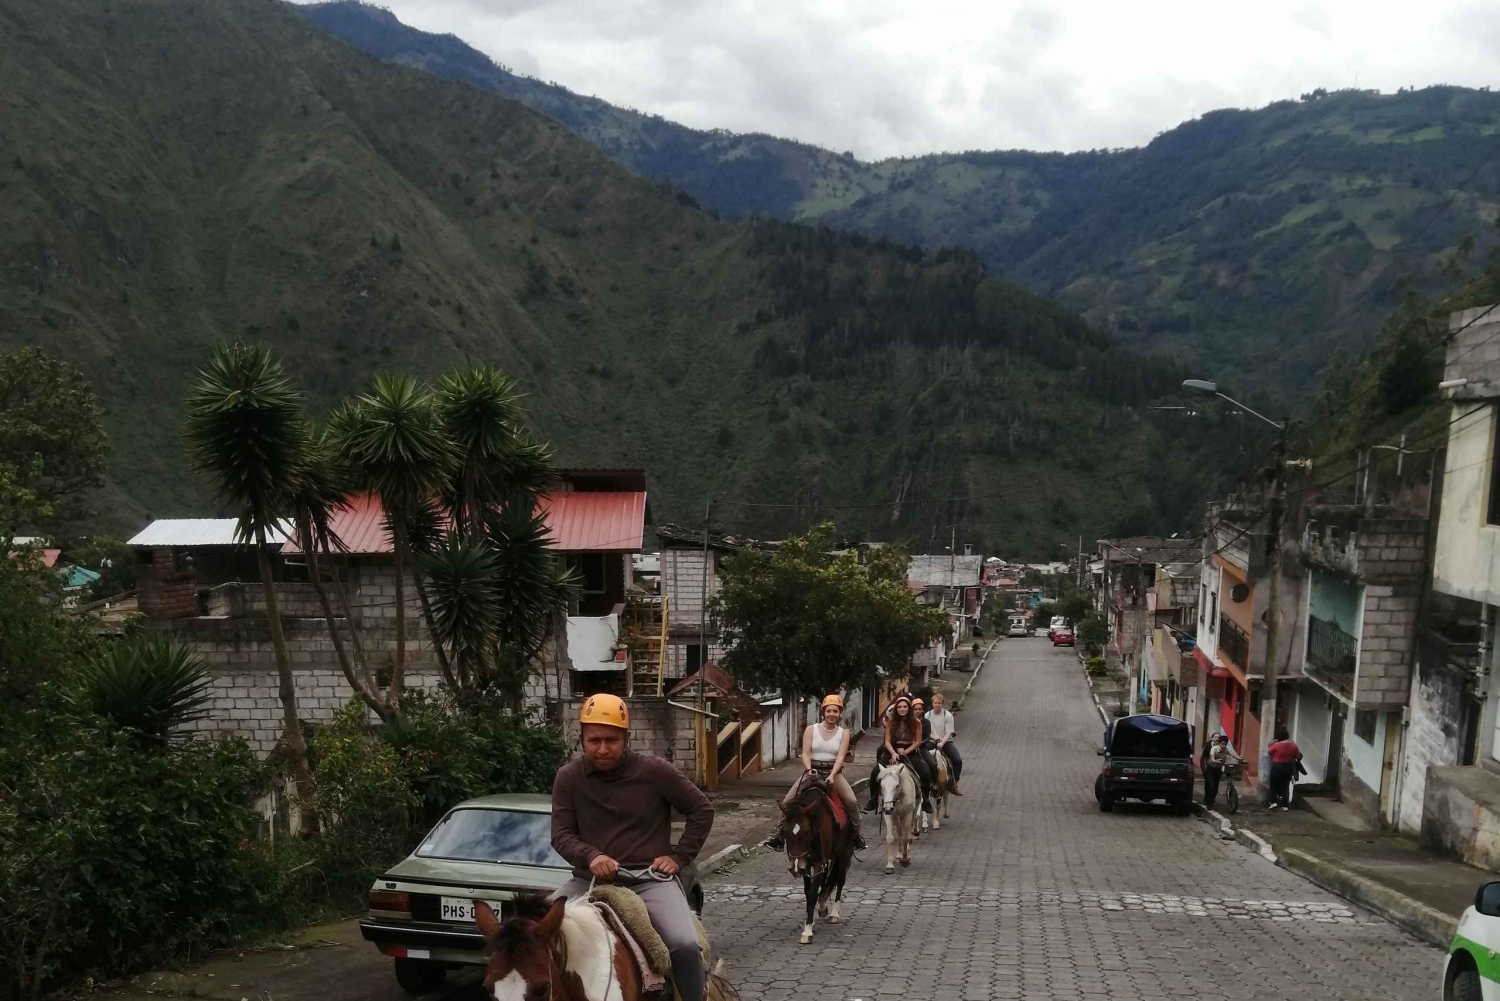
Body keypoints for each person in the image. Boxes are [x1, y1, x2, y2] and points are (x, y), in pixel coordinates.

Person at [551, 694, 714, 1001]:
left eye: (611, 740)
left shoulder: (655, 772)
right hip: (588, 881)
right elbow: (560, 834)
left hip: (649, 881)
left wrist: (680, 856)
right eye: (593, 739)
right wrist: (591, 855)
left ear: (627, 737)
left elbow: (701, 810)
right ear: (581, 738)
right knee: (533, 931)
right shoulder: (568, 778)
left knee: (684, 944)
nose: (602, 748)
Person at [765, 694, 867, 852]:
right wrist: (808, 770)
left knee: (852, 802)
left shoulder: (844, 733)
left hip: (834, 772)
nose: (832, 714)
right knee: (788, 802)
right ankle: (778, 836)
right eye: (829, 711)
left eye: (835, 711)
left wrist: (832, 775)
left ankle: (856, 835)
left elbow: (840, 756)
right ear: (823, 712)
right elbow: (805, 753)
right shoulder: (811, 730)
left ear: (840, 713)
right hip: (812, 771)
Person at [863, 694, 932, 815]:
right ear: (896, 709)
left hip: (909, 751)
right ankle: (873, 800)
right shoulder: (891, 721)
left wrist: (905, 751)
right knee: (875, 772)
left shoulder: (916, 722)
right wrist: (894, 753)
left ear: (909, 708)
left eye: (905, 706)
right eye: (899, 707)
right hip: (892, 750)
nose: (902, 709)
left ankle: (925, 800)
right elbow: (887, 741)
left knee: (925, 772)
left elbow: (918, 741)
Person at [925, 692, 963, 795]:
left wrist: (942, 742)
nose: (937, 705)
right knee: (922, 757)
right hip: (931, 741)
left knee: (957, 760)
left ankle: (953, 784)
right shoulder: (927, 715)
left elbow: (949, 731)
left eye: (939, 703)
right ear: (932, 704)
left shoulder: (948, 715)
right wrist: (935, 738)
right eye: (935, 703)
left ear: (942, 704)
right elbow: (927, 730)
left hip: (946, 742)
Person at [1266, 727, 1303, 811]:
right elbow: (1298, 756)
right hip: (1288, 767)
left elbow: (1269, 752)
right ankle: (1285, 805)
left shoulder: (1276, 745)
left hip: (1277, 767)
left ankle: (1273, 802)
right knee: (1285, 786)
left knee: (1274, 784)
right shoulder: (1293, 745)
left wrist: (1272, 743)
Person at [1200, 732, 1232, 810]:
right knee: (1209, 785)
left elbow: (1230, 754)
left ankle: (1211, 800)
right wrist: (1203, 768)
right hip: (1208, 767)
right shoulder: (1208, 746)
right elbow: (1203, 757)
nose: (1217, 738)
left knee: (1215, 786)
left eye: (1218, 737)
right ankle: (1207, 800)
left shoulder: (1222, 747)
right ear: (1212, 738)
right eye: (1215, 737)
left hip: (1217, 769)